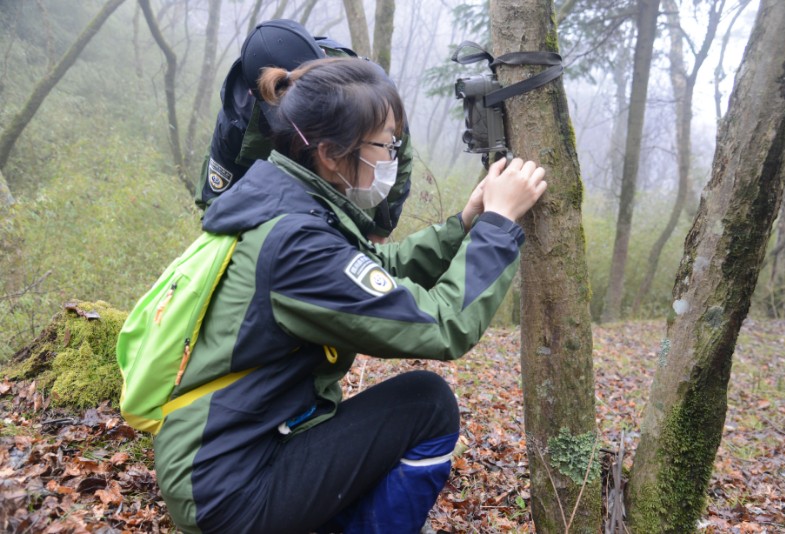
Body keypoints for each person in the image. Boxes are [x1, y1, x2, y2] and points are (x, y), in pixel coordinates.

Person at [154, 57, 547, 534]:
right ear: (331, 153)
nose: (393, 158)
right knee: (427, 405)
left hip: (231, 457)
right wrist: (498, 228)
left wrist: (463, 224)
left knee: (413, 407)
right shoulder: (297, 246)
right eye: (385, 144)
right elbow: (443, 328)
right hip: (229, 492)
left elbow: (376, 270)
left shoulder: (291, 203)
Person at [195, 19, 412, 242]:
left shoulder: (365, 89)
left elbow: (398, 156)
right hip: (276, 212)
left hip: (350, 191)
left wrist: (380, 231)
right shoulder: (238, 119)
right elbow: (216, 201)